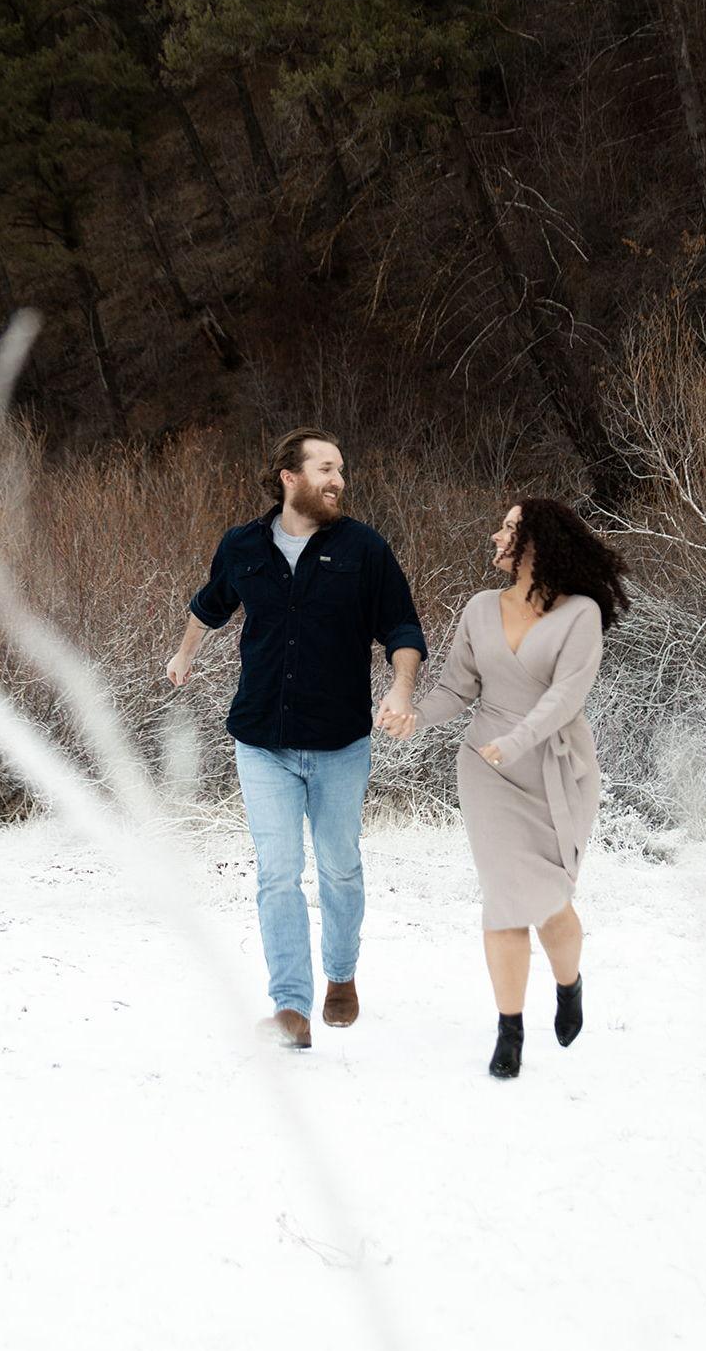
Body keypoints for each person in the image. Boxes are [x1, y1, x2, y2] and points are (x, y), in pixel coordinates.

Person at [168, 428, 427, 1049]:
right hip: (263, 739)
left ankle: (341, 974)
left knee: (339, 867)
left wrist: (401, 689)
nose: (339, 480)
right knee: (278, 873)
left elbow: (401, 626)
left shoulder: (364, 548)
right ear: (290, 477)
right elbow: (210, 604)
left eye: (341, 469)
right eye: (326, 468)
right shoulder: (242, 545)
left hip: (340, 742)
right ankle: (291, 1007)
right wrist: (184, 654)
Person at [381, 499, 629, 1078]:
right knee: (503, 900)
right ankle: (509, 1030)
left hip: (553, 770)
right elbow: (457, 688)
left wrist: (516, 742)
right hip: (486, 773)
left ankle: (569, 985)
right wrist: (415, 716)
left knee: (550, 901)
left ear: (538, 543)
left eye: (510, 528)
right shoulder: (479, 609)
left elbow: (564, 697)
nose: (496, 535)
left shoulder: (580, 614)